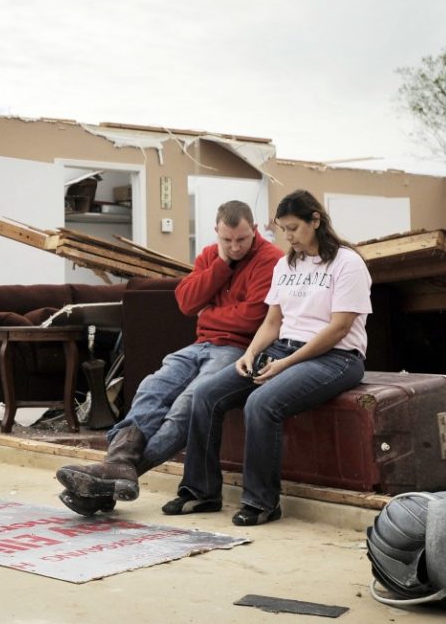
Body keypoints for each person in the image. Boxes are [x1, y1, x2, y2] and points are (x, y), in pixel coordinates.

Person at [55, 200, 282, 516]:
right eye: (226, 240)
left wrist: (210, 313)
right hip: (199, 346)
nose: (235, 247)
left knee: (186, 405)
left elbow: (251, 319)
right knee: (151, 387)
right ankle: (117, 468)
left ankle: (111, 477)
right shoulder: (209, 256)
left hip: (240, 350)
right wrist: (220, 266)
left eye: (242, 239)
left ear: (254, 230)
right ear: (216, 232)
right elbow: (187, 303)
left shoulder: (271, 260)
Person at [163, 189, 372, 526]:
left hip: (336, 358)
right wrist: (250, 354)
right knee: (206, 394)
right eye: (283, 230)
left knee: (261, 403)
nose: (288, 237)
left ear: (315, 221)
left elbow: (338, 329)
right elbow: (273, 321)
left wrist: (286, 364)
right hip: (282, 348)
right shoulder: (287, 264)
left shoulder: (347, 262)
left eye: (294, 228)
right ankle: (200, 492)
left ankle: (262, 503)